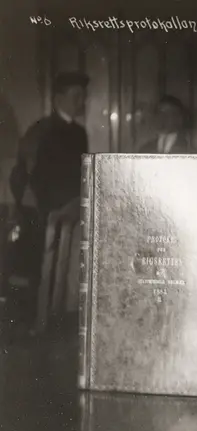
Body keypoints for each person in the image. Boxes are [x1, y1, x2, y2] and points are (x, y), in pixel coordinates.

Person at [6, 71, 89, 333]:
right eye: (76, 96)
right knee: (37, 273)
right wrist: (41, 209)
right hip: (40, 214)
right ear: (58, 99)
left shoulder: (79, 133)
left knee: (62, 272)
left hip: (69, 214)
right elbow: (22, 176)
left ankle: (53, 322)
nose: (82, 101)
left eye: (83, 96)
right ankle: (31, 327)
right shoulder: (41, 130)